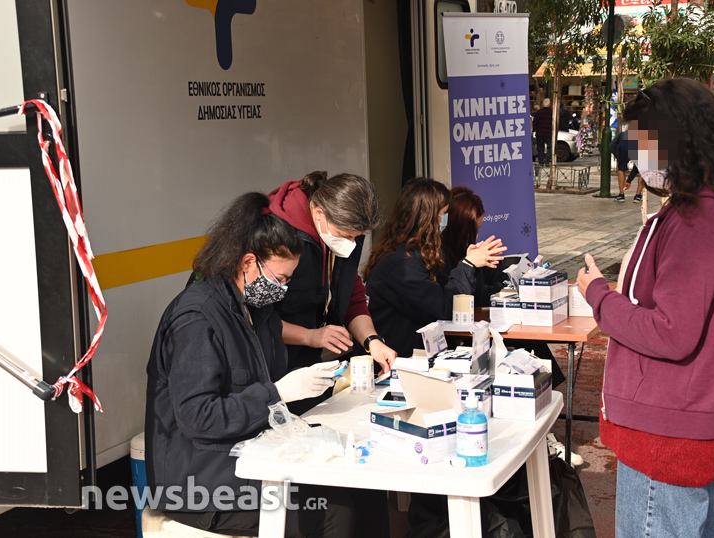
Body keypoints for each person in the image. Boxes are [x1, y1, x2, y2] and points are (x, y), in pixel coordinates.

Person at [576, 78, 714, 538]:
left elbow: (672, 331)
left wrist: (598, 295)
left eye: (643, 145)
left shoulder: (699, 220)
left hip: (668, 429)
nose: (636, 158)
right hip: (689, 422)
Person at [146, 192, 354, 537]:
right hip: (202, 486)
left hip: (247, 458)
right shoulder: (197, 318)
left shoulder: (257, 310)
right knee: (331, 510)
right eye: (280, 278)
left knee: (345, 488)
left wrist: (319, 382)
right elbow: (200, 418)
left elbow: (266, 383)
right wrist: (276, 394)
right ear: (247, 263)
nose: (283, 289)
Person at [268, 172, 395, 393]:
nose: (350, 244)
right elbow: (259, 319)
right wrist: (309, 335)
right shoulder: (279, 237)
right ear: (319, 213)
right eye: (344, 235)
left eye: (356, 237)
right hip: (273, 366)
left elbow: (352, 293)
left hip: (310, 360)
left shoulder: (330, 234)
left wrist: (372, 341)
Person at [440, 185, 568, 392]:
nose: (476, 234)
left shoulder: (464, 248)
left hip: (476, 318)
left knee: (524, 333)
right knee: (518, 336)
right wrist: (474, 267)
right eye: (475, 229)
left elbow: (481, 286)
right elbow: (464, 294)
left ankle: (549, 386)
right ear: (461, 227)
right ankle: (546, 387)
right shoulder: (442, 255)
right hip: (459, 327)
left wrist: (507, 282)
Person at [363, 178, 506, 357]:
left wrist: (473, 266)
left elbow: (456, 293)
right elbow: (444, 307)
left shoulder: (421, 252)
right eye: (444, 213)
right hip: (398, 362)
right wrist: (468, 265)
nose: (445, 219)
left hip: (420, 354)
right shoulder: (402, 264)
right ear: (428, 217)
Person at [609, 129, 643, 203]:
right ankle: (638, 195)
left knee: (621, 169)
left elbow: (611, 145)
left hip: (623, 147)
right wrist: (629, 180)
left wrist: (618, 156)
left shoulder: (622, 134)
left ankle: (621, 195)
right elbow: (637, 168)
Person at [532, 98, 553, 165]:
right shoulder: (552, 113)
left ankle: (541, 162)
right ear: (550, 104)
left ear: (542, 104)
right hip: (549, 133)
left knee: (540, 148)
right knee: (550, 146)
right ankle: (547, 158)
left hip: (540, 133)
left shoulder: (538, 113)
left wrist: (534, 130)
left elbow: (534, 123)